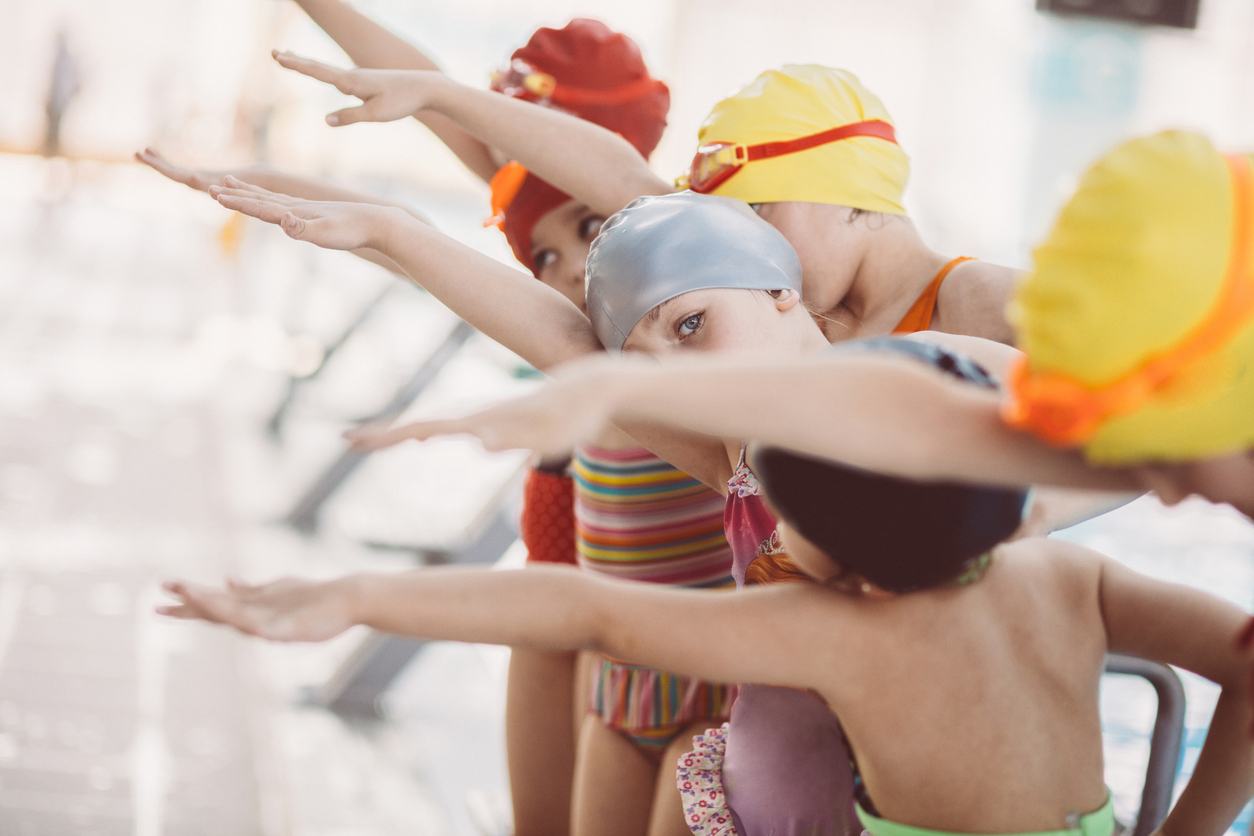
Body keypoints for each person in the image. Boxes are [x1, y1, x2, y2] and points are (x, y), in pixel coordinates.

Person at [158, 340, 1253, 835]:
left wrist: (355, 594)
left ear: (849, 564)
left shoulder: (838, 629)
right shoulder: (1067, 568)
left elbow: (588, 608)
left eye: (784, 518)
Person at [141, 9, 736, 832]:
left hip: (670, 632)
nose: (566, 271)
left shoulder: (681, 278)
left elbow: (442, 122)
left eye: (588, 234)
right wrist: (248, 181)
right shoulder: (547, 248)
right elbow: (410, 180)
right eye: (543, 260)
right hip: (582, 573)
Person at [262, 58, 1022, 344]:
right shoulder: (787, 313)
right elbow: (627, 184)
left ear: (849, 192)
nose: (745, 244)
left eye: (759, 212)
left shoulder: (975, 300)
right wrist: (439, 96)